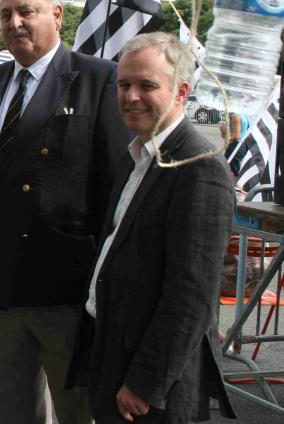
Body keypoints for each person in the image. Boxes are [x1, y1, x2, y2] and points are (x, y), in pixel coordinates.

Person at [0, 0, 130, 424]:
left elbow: (116, 190)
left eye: (26, 11)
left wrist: (108, 284)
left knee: (75, 413)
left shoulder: (98, 80)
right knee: (10, 412)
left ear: (57, 15)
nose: (15, 22)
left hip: (65, 288)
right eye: (6, 14)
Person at [72, 32, 236, 423]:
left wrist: (146, 382)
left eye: (147, 85)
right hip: (110, 350)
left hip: (149, 386)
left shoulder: (199, 168)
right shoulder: (136, 155)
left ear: (181, 91)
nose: (131, 97)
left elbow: (191, 296)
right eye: (124, 84)